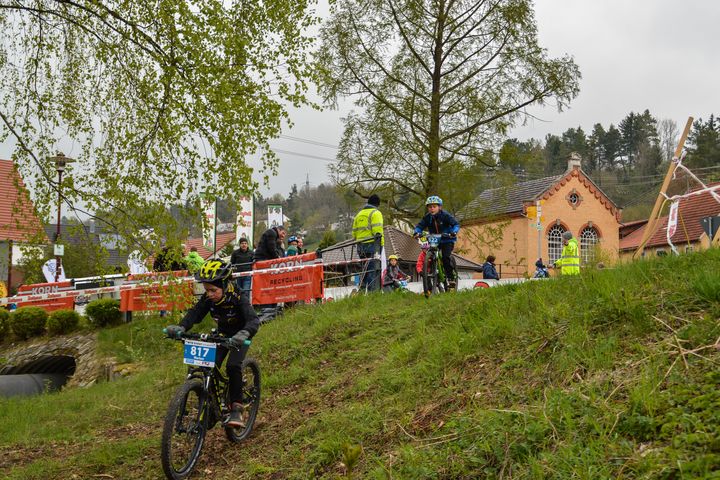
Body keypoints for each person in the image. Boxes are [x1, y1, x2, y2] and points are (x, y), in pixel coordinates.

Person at [164, 260, 260, 428]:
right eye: (206, 290)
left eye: (213, 290)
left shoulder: (238, 297)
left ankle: (237, 408)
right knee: (208, 365)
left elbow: (253, 320)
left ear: (225, 285)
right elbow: (195, 313)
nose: (209, 294)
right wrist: (181, 327)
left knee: (232, 366)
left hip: (240, 336)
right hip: (222, 335)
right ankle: (212, 406)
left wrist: (244, 333)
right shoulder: (209, 298)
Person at [413, 195, 460, 289]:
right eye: (430, 207)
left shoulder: (445, 215)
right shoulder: (427, 217)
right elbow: (419, 226)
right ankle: (434, 274)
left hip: (447, 239)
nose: (432, 209)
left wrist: (454, 232)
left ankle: (451, 277)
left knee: (445, 257)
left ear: (439, 207)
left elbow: (456, 224)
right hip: (434, 240)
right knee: (430, 256)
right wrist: (416, 232)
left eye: (434, 206)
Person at [351, 194, 384, 292]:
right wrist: (381, 245)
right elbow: (377, 232)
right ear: (377, 204)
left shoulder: (358, 214)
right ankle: (372, 293)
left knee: (364, 269)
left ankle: (361, 290)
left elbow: (354, 233)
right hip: (373, 245)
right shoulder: (376, 213)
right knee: (373, 269)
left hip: (360, 246)